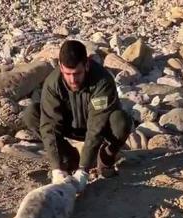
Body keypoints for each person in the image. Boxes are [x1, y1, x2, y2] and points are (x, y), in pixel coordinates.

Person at [22, 40, 132, 192]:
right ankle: (68, 159)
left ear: (87, 65)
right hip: (69, 126)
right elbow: (50, 126)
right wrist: (56, 168)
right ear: (60, 67)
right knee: (32, 114)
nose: (73, 80)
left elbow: (96, 126)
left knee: (121, 121)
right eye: (68, 74)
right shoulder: (52, 83)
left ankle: (105, 159)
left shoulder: (103, 81)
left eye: (77, 74)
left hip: (99, 126)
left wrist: (83, 170)